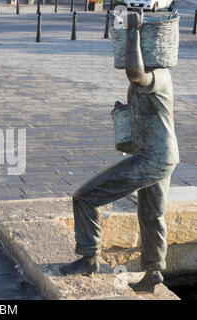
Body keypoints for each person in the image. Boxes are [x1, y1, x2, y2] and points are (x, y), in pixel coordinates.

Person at [60, 10, 179, 293]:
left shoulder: (155, 75)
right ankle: (153, 274)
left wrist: (132, 31)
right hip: (162, 156)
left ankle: (89, 257)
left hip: (152, 158)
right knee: (152, 215)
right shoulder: (156, 74)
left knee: (85, 197)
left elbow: (134, 72)